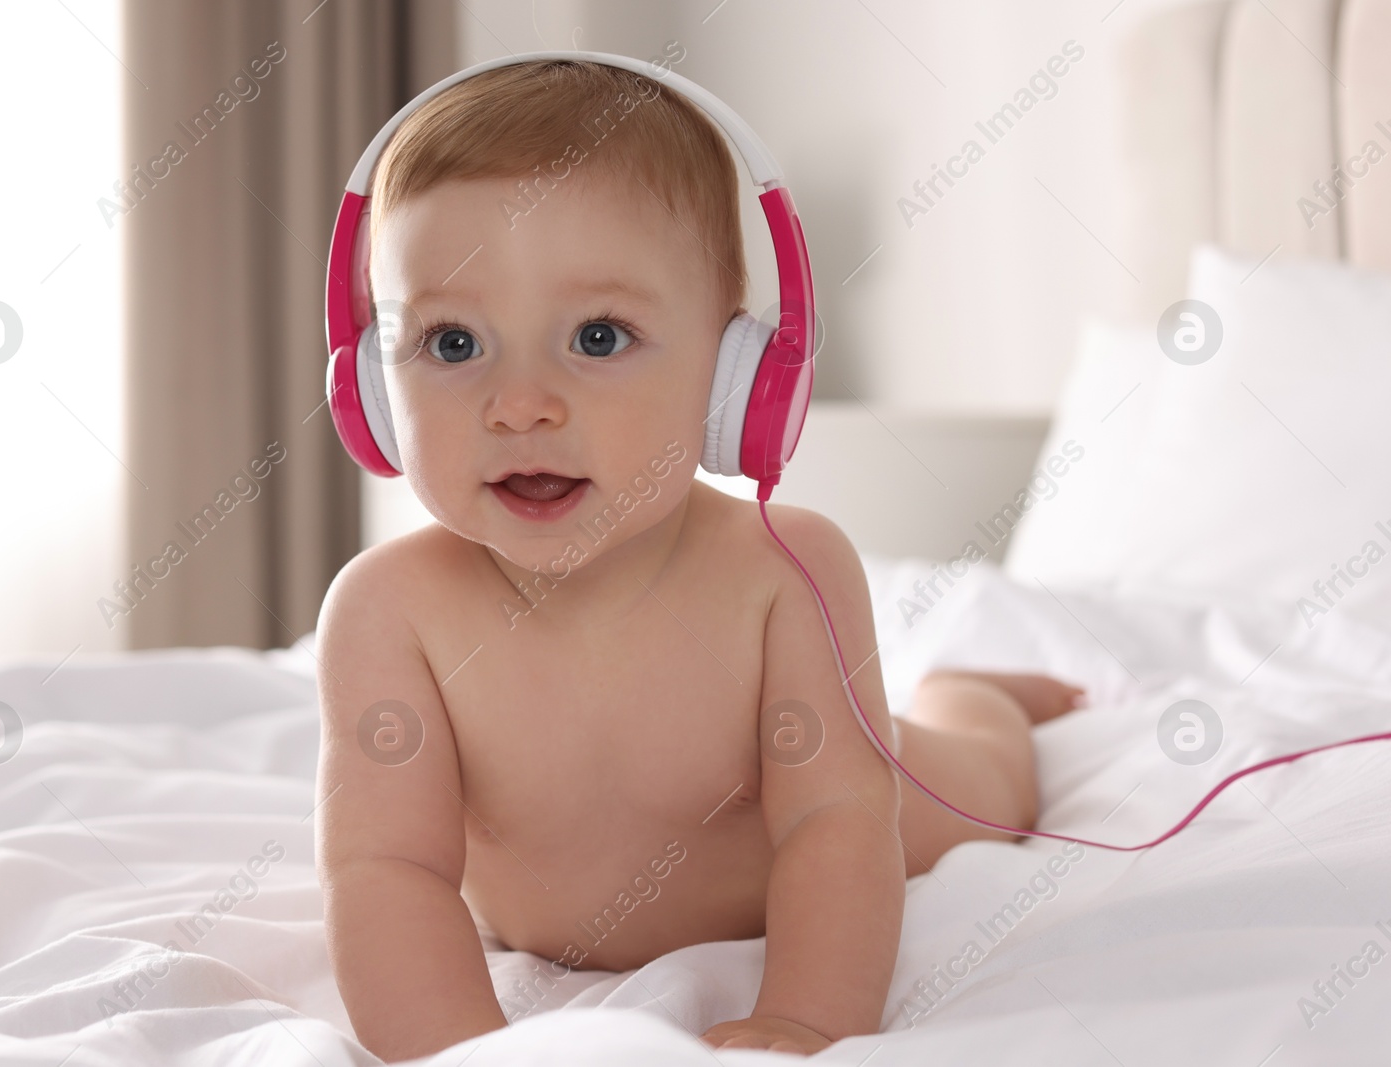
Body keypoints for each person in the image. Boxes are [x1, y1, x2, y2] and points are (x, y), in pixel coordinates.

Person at [313, 58, 1084, 1061]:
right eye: (452, 344)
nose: (519, 403)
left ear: (737, 377)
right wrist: (459, 1049)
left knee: (979, 782)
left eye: (597, 335)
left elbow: (838, 823)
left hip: (914, 794)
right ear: (372, 383)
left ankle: (973, 694)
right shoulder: (387, 608)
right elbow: (384, 866)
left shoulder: (782, 572)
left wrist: (804, 1016)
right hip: (538, 913)